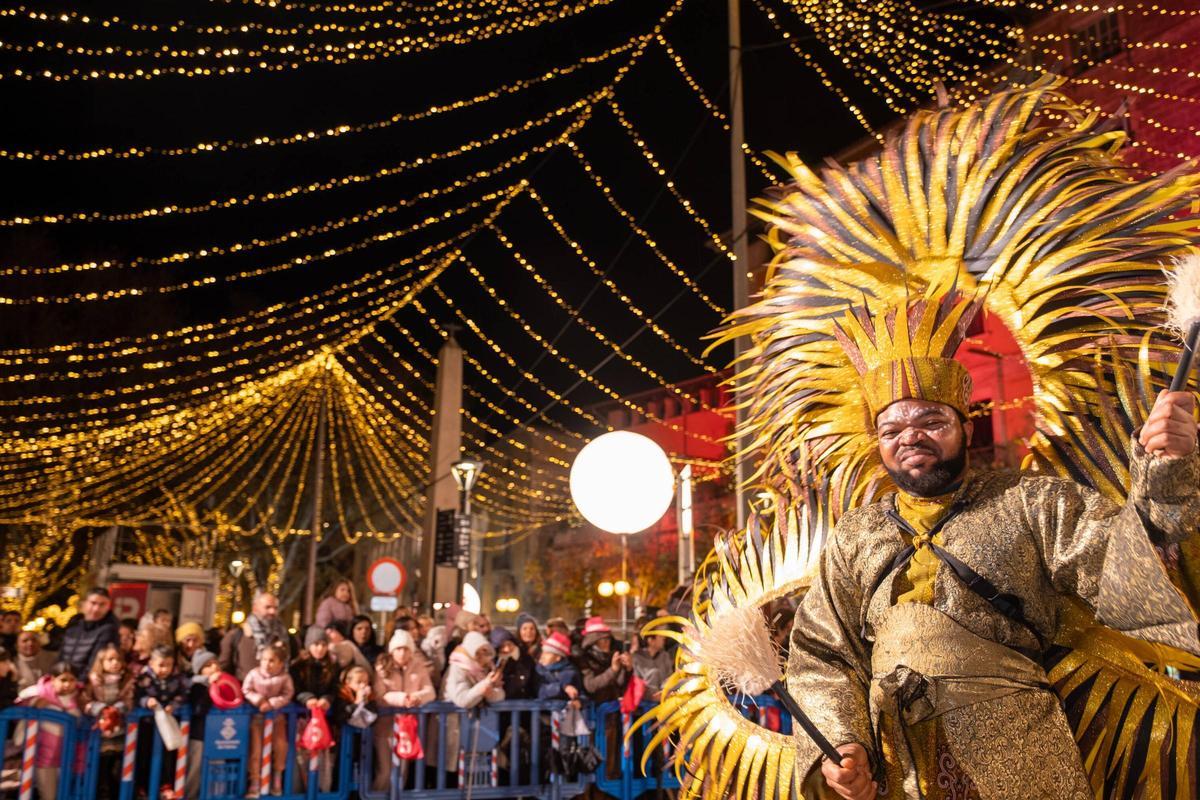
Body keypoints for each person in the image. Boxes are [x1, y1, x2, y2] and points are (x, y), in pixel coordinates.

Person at [774, 290, 1200, 799]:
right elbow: (822, 654)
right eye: (892, 428)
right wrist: (843, 746)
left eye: (931, 421)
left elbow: (1131, 560)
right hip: (897, 765)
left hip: (1018, 750)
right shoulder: (854, 536)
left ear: (965, 428)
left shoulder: (1030, 502)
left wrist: (1166, 469)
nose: (910, 437)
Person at [371, 629, 435, 791]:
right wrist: (402, 698)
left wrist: (417, 697)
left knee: (402, 771)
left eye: (406, 649)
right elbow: (379, 695)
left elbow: (430, 692)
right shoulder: (382, 667)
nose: (402, 653)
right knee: (385, 771)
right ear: (392, 650)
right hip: (386, 727)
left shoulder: (418, 667)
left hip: (408, 728)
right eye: (399, 649)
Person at [17, 662, 82, 800]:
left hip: (71, 758)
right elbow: (18, 702)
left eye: (71, 680)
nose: (67, 684)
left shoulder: (81, 696)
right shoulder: (40, 693)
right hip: (45, 759)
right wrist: (34, 702)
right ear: (53, 679)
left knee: (66, 794)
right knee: (49, 796)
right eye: (63, 680)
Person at [82, 644, 135, 800]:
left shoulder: (127, 680)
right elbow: (84, 700)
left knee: (116, 770)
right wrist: (100, 708)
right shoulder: (93, 680)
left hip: (120, 732)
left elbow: (129, 700)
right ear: (101, 662)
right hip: (99, 733)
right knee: (100, 770)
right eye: (110, 659)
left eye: (118, 659)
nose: (115, 663)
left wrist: (117, 709)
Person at [242, 644, 294, 796]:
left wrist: (272, 703)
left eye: (271, 660)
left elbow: (288, 694)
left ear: (280, 663)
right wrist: (259, 701)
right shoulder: (253, 674)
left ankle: (277, 777)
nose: (266, 663)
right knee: (256, 750)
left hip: (277, 718)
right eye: (264, 659)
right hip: (257, 719)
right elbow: (246, 689)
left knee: (280, 746)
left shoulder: (285, 677)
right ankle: (255, 781)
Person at [291, 626, 339, 792]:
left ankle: (320, 791)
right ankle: (299, 791)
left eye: (323, 644)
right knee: (300, 761)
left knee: (323, 762)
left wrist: (327, 699)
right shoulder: (298, 666)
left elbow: (334, 689)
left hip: (323, 723)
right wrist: (306, 698)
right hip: (302, 720)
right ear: (308, 645)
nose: (320, 648)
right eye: (316, 644)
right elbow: (294, 689)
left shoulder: (332, 667)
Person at [219, 592, 289, 680]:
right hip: (245, 690)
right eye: (268, 607)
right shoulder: (236, 635)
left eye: (275, 608)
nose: (272, 611)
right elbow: (224, 668)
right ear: (255, 608)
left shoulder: (283, 636)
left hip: (279, 690)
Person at [185, 651, 223, 800]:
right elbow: (199, 709)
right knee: (195, 770)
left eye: (215, 663)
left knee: (217, 769)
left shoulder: (224, 682)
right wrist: (209, 687)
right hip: (199, 735)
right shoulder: (196, 685)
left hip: (219, 735)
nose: (214, 667)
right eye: (208, 665)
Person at [58, 587, 120, 675]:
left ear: (108, 606)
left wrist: (80, 684)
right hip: (61, 679)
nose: (96, 609)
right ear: (85, 603)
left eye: (102, 604)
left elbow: (95, 662)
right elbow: (60, 656)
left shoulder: (109, 629)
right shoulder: (73, 626)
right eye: (93, 603)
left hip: (84, 684)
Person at [490, 627, 537, 700]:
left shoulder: (526, 659)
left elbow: (535, 682)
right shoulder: (494, 663)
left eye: (509, 644)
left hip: (527, 705)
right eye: (502, 647)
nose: (507, 649)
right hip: (504, 707)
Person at [630, 626, 671, 704]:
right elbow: (636, 680)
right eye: (660, 637)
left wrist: (664, 690)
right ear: (651, 640)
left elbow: (669, 676)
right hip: (643, 697)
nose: (664, 639)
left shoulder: (665, 656)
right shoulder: (637, 657)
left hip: (664, 694)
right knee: (654, 673)